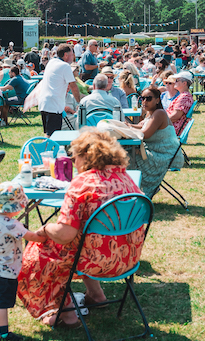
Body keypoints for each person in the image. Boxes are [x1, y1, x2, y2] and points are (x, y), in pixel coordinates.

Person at [17, 131, 146, 329]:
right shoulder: (126, 179)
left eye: (74, 156)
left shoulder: (83, 183)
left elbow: (64, 235)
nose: (73, 161)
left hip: (94, 261)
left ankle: (67, 313)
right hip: (127, 259)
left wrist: (46, 228)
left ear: (86, 156)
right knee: (86, 241)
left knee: (40, 252)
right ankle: (96, 295)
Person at [0, 182, 47, 341]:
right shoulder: (13, 225)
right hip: (5, 272)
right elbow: (32, 237)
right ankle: (4, 334)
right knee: (3, 305)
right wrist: (45, 235)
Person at [125, 85, 185, 198]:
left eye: (148, 98)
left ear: (157, 100)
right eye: (142, 98)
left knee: (125, 155)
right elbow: (140, 126)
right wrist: (127, 126)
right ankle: (130, 189)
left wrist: (126, 130)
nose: (144, 101)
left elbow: (145, 134)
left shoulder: (159, 113)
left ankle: (131, 191)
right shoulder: (151, 113)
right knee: (125, 152)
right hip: (155, 151)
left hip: (165, 155)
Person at [33, 44, 81, 136]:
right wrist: (79, 102)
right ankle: (46, 146)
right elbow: (74, 86)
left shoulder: (51, 62)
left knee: (48, 134)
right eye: (72, 54)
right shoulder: (65, 66)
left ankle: (46, 145)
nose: (73, 57)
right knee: (53, 135)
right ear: (66, 55)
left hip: (44, 102)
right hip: (54, 105)